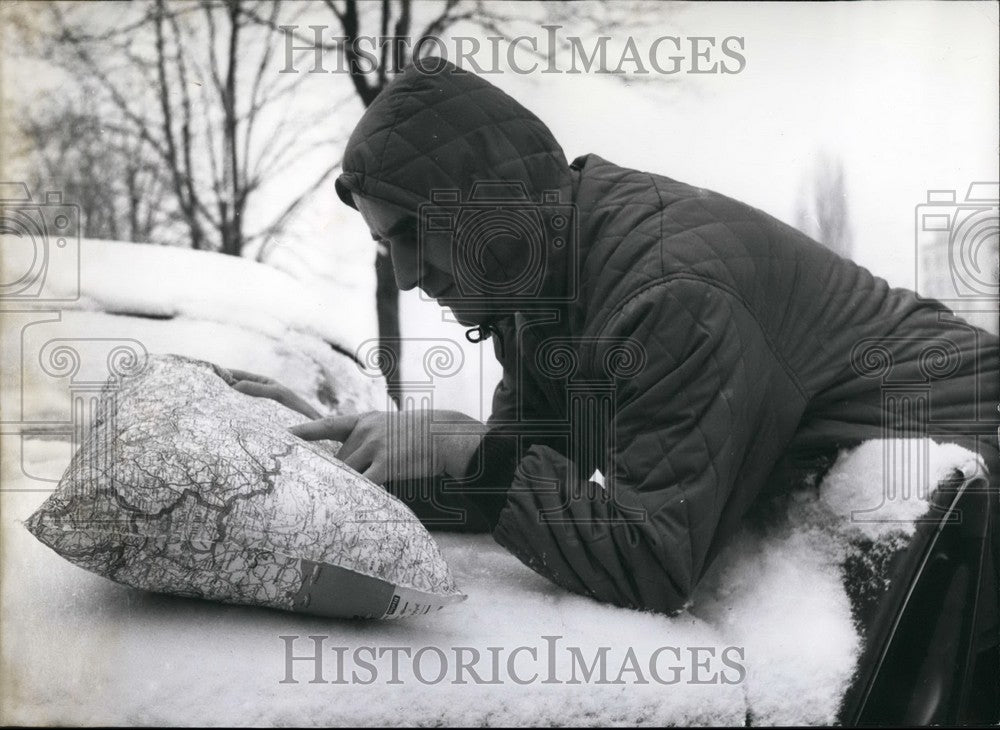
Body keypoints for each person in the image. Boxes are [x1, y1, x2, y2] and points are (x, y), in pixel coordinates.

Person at [235, 58, 999, 627]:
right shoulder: (544, 283)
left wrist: (464, 449)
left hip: (974, 478)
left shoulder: (668, 293)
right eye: (383, 246)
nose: (403, 277)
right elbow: (529, 475)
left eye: (413, 234)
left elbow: (650, 563)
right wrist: (332, 464)